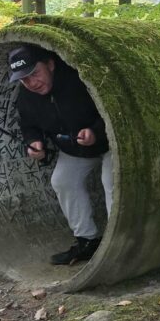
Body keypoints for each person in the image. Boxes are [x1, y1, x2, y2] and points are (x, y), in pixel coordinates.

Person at [9, 45, 112, 266]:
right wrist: (33, 142)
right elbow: (28, 125)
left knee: (111, 179)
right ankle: (87, 241)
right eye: (24, 80)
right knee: (63, 180)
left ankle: (118, 241)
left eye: (34, 73)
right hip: (75, 149)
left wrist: (95, 132)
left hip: (112, 145)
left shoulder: (80, 80)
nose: (32, 83)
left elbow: (114, 110)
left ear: (51, 64)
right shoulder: (27, 97)